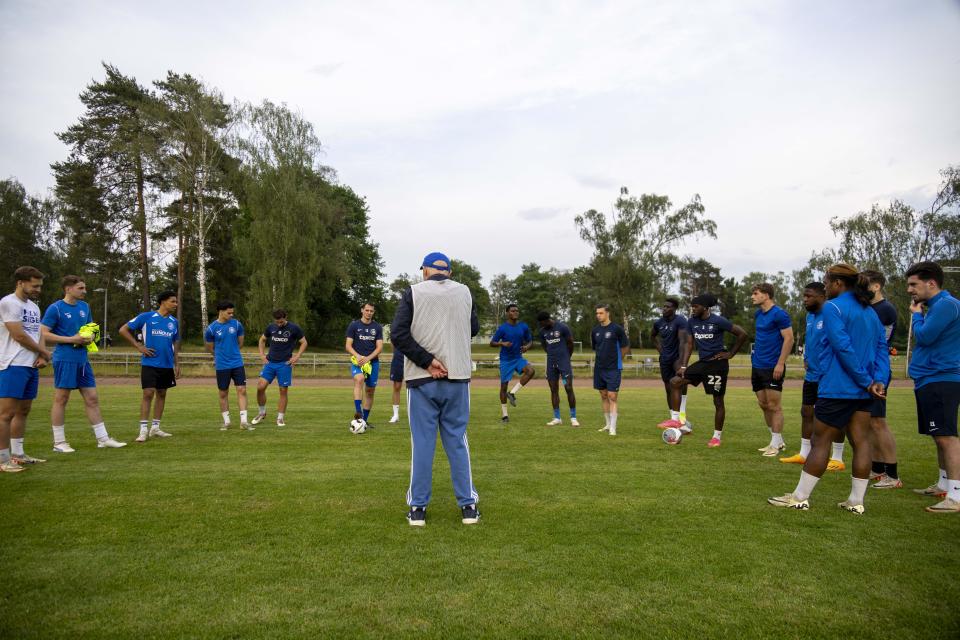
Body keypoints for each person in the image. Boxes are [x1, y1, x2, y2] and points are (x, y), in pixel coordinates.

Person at [768, 264, 889, 515]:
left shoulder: (833, 308)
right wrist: (877, 380)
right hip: (864, 392)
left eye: (826, 282)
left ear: (837, 283)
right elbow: (881, 348)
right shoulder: (870, 312)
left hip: (838, 387)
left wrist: (863, 379)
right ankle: (856, 502)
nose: (824, 287)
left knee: (819, 441)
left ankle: (799, 497)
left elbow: (842, 347)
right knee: (861, 442)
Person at [391, 251, 481, 526]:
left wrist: (428, 361)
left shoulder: (413, 293)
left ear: (426, 270)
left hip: (421, 379)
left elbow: (398, 334)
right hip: (456, 377)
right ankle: (468, 507)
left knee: (422, 444)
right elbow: (473, 328)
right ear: (449, 272)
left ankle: (418, 509)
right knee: (457, 442)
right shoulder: (465, 292)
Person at [41, 275, 125, 452]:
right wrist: (71, 339)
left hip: (83, 359)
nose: (85, 291)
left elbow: (90, 328)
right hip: (64, 358)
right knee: (61, 398)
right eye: (81, 288)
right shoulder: (55, 308)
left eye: (84, 288)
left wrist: (92, 337)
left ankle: (103, 439)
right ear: (68, 289)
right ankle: (59, 443)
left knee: (92, 398)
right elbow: (43, 334)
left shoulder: (84, 307)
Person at [905, 261, 960, 513]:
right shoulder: (938, 306)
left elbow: (925, 336)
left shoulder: (946, 305)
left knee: (946, 436)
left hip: (941, 378)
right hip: (930, 377)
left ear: (932, 283)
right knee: (938, 436)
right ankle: (943, 483)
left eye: (913, 284)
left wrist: (916, 316)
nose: (909, 290)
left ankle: (956, 495)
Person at [779, 283, 846, 470]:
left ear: (822, 296)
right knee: (806, 412)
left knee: (834, 418)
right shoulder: (810, 316)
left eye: (809, 296)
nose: (805, 299)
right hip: (812, 375)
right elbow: (811, 340)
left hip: (829, 376)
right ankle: (804, 453)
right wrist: (807, 358)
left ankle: (838, 458)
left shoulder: (832, 313)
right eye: (804, 296)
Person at [671, 294, 748, 447]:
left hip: (717, 365)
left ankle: (716, 437)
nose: (692, 309)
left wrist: (731, 354)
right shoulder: (692, 321)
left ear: (705, 308)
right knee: (675, 382)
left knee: (718, 401)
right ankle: (676, 421)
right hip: (702, 363)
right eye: (691, 307)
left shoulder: (718, 320)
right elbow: (689, 344)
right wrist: (684, 366)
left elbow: (742, 334)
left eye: (696, 307)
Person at [0, 266, 51, 472]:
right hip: (12, 363)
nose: (38, 289)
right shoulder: (8, 302)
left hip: (30, 365)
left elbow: (38, 333)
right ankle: (3, 460)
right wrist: (45, 353)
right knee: (6, 414)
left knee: (23, 411)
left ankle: (18, 455)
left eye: (40, 285)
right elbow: (18, 335)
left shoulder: (34, 307)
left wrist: (41, 354)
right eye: (34, 285)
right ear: (21, 282)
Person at [119, 291, 181, 442]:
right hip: (150, 363)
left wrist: (176, 363)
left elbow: (174, 344)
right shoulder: (146, 317)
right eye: (173, 301)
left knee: (162, 394)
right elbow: (123, 330)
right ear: (163, 302)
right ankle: (143, 430)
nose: (176, 304)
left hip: (167, 365)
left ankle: (156, 428)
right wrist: (138, 346)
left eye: (176, 302)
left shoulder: (174, 322)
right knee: (148, 393)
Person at [861, 270, 902, 489]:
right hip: (868, 371)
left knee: (878, 422)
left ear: (876, 286)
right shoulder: (869, 308)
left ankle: (892, 474)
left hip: (878, 372)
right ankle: (877, 468)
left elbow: (878, 342)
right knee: (868, 422)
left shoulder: (884, 310)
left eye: (864, 285)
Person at [750, 283, 795, 456]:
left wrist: (780, 363)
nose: (752, 297)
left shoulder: (780, 314)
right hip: (758, 365)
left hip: (773, 366)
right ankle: (777, 440)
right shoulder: (758, 314)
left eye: (756, 293)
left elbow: (789, 339)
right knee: (763, 404)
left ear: (766, 295)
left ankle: (775, 445)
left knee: (774, 406)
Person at [251, 308, 306, 427]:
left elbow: (304, 342)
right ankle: (261, 413)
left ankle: (280, 418)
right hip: (270, 363)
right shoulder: (271, 327)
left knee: (283, 390)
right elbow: (262, 340)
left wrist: (297, 356)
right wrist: (261, 355)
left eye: (281, 321)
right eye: (277, 322)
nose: (279, 324)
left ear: (285, 318)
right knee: (260, 387)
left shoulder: (294, 328)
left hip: (284, 364)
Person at [204, 301, 251, 431]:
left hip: (237, 363)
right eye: (229, 312)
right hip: (222, 365)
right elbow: (210, 347)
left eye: (232, 312)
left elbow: (240, 343)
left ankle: (244, 422)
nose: (231, 315)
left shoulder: (237, 324)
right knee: (223, 393)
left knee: (242, 390)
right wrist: (220, 355)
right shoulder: (211, 329)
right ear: (221, 311)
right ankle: (227, 422)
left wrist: (232, 352)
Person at [490, 304, 535, 423]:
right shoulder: (503, 328)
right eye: (512, 311)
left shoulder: (523, 326)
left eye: (517, 311)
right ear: (507, 313)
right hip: (505, 360)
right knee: (503, 387)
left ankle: (513, 393)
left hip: (518, 358)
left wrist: (527, 347)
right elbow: (492, 343)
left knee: (531, 371)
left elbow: (530, 341)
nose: (515, 312)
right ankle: (505, 416)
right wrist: (502, 344)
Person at [652, 298, 689, 431]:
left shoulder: (680, 321)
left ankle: (682, 417)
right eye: (663, 306)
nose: (664, 309)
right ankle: (673, 419)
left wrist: (681, 361)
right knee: (668, 388)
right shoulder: (658, 323)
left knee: (680, 384)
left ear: (674, 309)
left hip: (677, 359)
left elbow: (683, 341)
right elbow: (653, 336)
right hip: (665, 360)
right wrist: (661, 351)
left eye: (667, 307)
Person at [592, 304, 629, 436]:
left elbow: (625, 347)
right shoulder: (595, 330)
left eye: (601, 313)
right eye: (597, 313)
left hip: (613, 368)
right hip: (599, 368)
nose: (598, 315)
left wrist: (618, 360)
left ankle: (613, 428)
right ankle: (607, 424)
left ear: (608, 313)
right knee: (603, 395)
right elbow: (595, 348)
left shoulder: (617, 329)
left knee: (612, 396)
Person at [345, 303, 384, 429]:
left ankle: (363, 422)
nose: (369, 313)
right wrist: (358, 356)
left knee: (370, 391)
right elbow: (348, 345)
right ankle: (358, 412)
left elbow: (379, 347)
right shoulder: (354, 325)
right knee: (359, 379)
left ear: (373, 312)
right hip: (358, 362)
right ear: (362, 310)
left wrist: (368, 358)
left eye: (371, 311)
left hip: (373, 362)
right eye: (366, 310)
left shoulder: (377, 327)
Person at [537, 311, 578, 427]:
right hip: (551, 364)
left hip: (564, 364)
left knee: (568, 387)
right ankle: (557, 418)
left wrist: (566, 357)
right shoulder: (542, 332)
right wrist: (552, 355)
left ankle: (573, 417)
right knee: (553, 389)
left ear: (547, 320)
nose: (541, 326)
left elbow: (570, 343)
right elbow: (545, 346)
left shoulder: (562, 327)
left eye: (542, 323)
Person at [388, 348, 404, 424]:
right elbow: (393, 341)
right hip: (398, 357)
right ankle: (395, 415)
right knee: (397, 386)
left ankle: (416, 414)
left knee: (412, 386)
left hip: (411, 356)